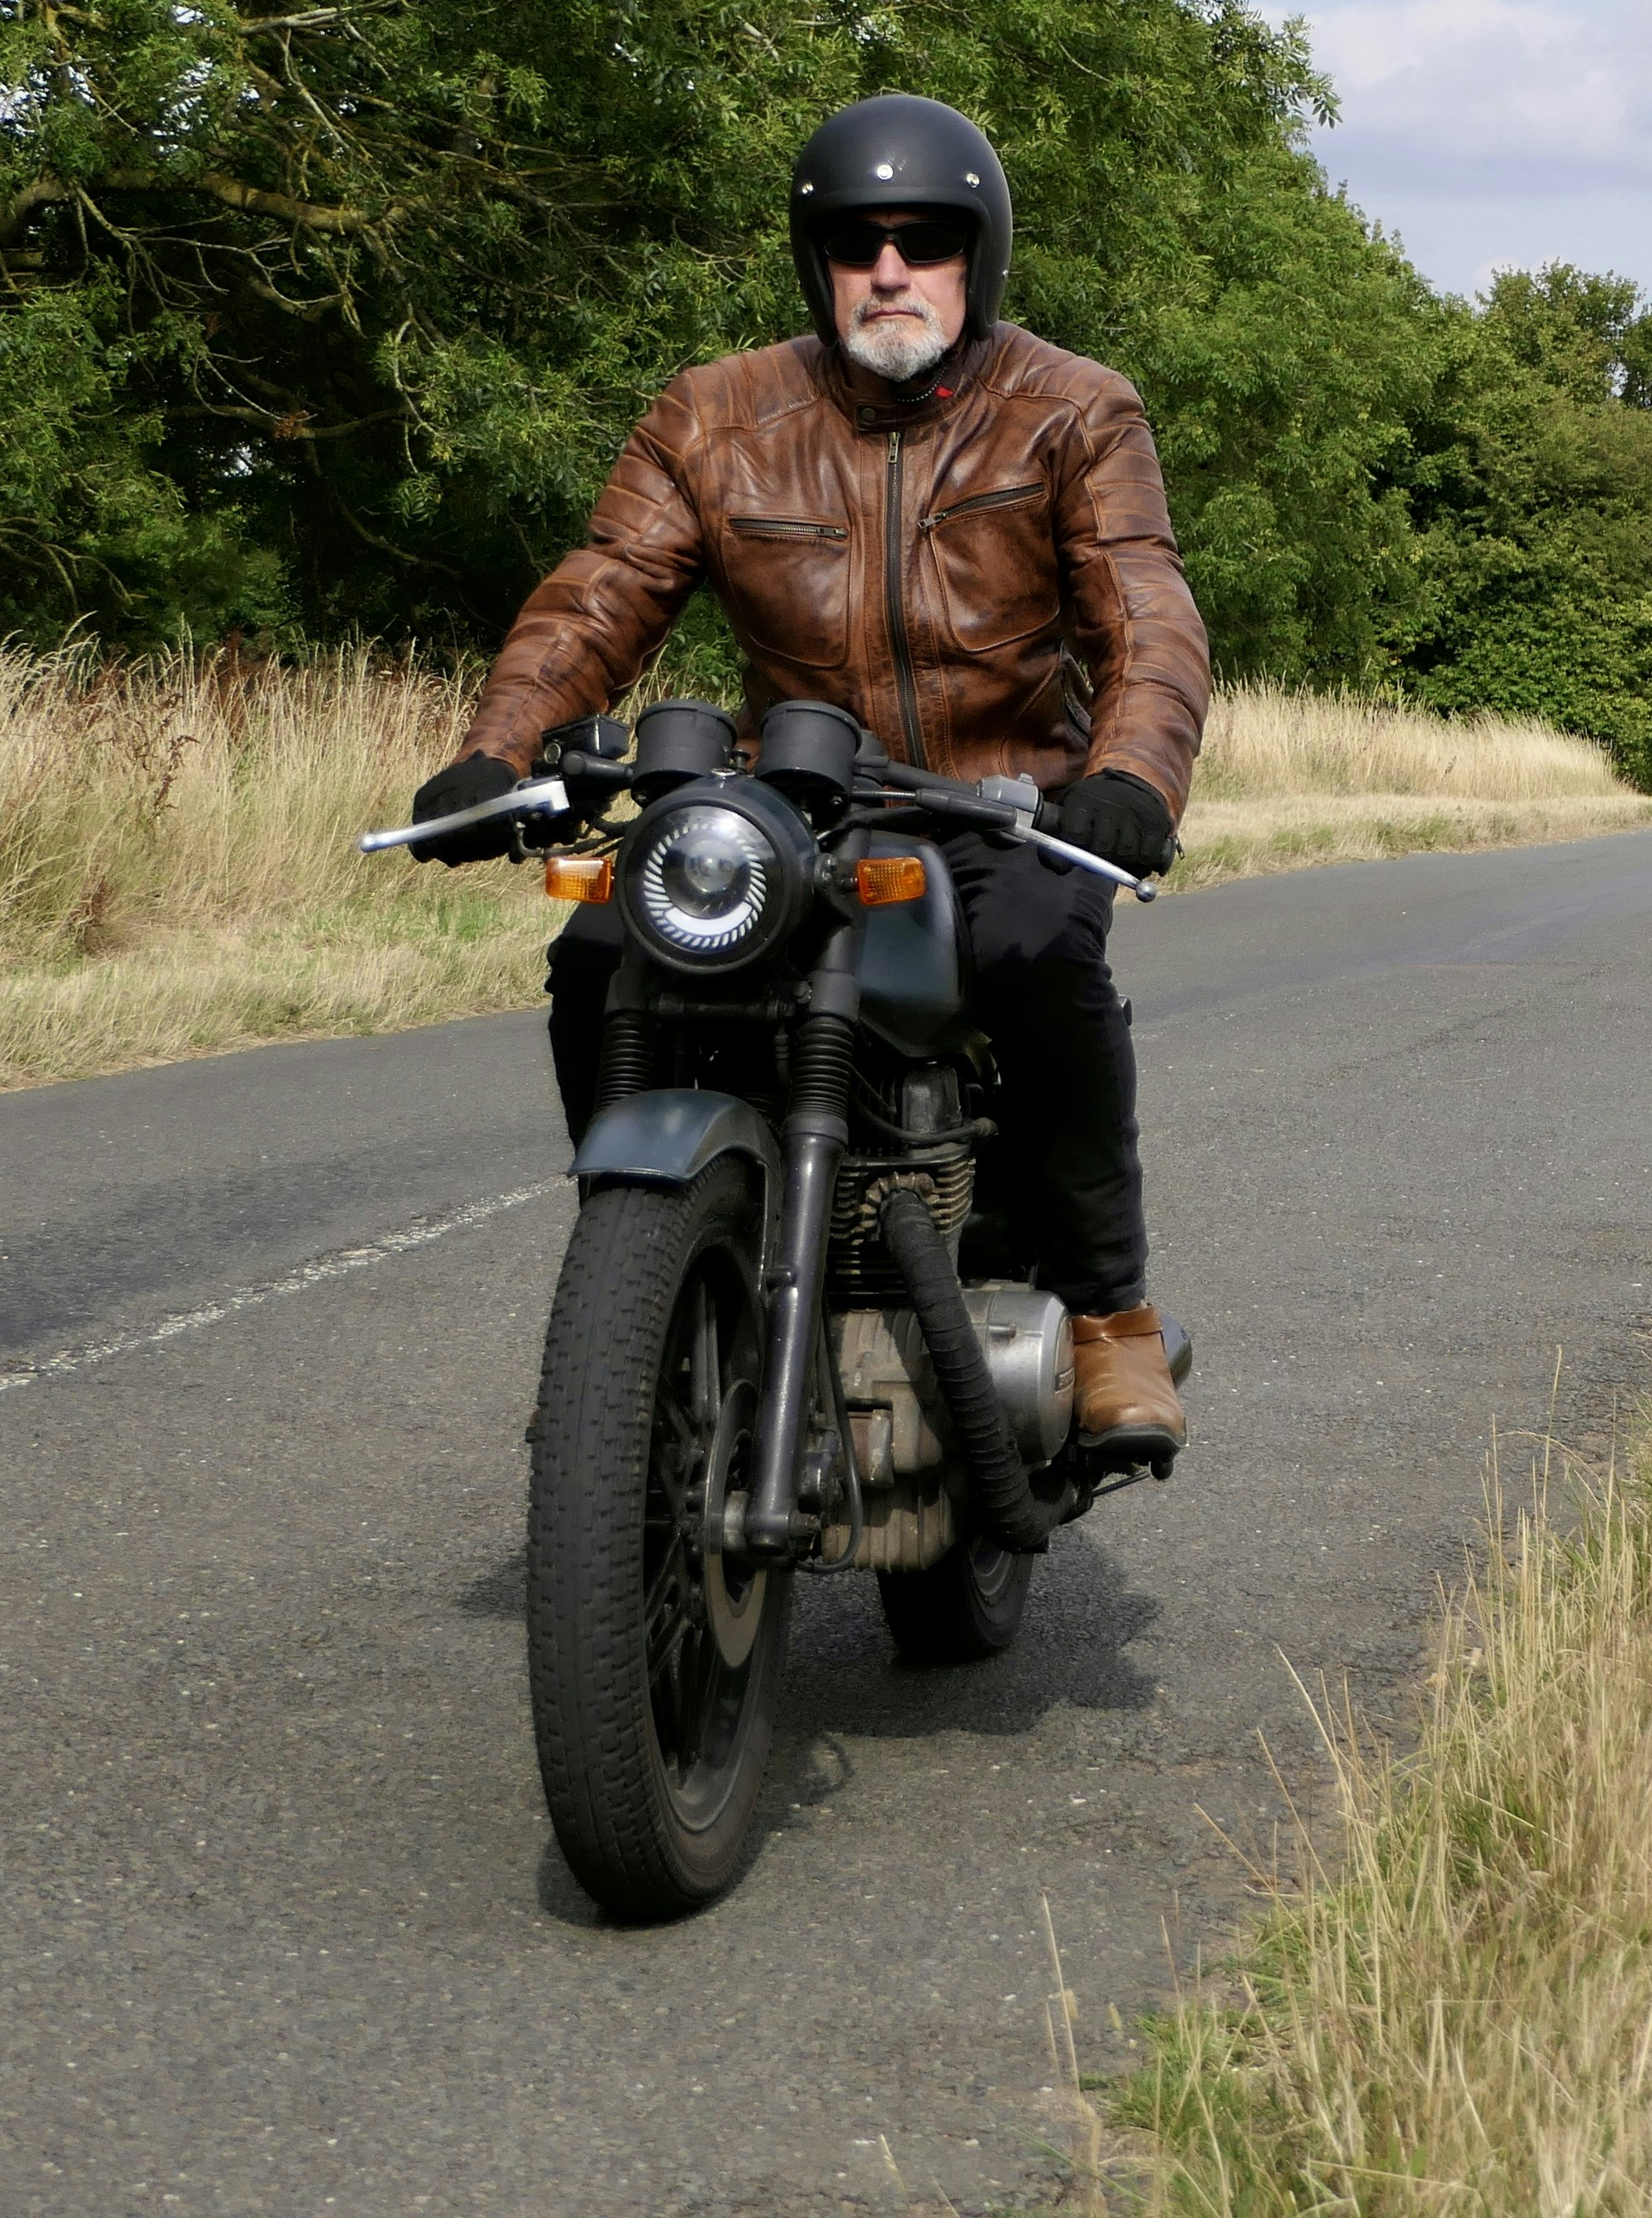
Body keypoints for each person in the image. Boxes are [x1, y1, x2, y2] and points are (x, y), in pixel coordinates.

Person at [402, 93, 1206, 1465]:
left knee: (1035, 952)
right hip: (794, 807)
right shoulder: (718, 415)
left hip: (996, 804)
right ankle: (646, 1291)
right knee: (608, 951)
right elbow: (603, 590)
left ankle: (1107, 1316)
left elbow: (1145, 609)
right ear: (816, 260)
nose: (890, 269)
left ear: (979, 254)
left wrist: (1129, 774)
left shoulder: (1071, 409)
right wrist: (500, 743)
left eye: (925, 239)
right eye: (858, 242)